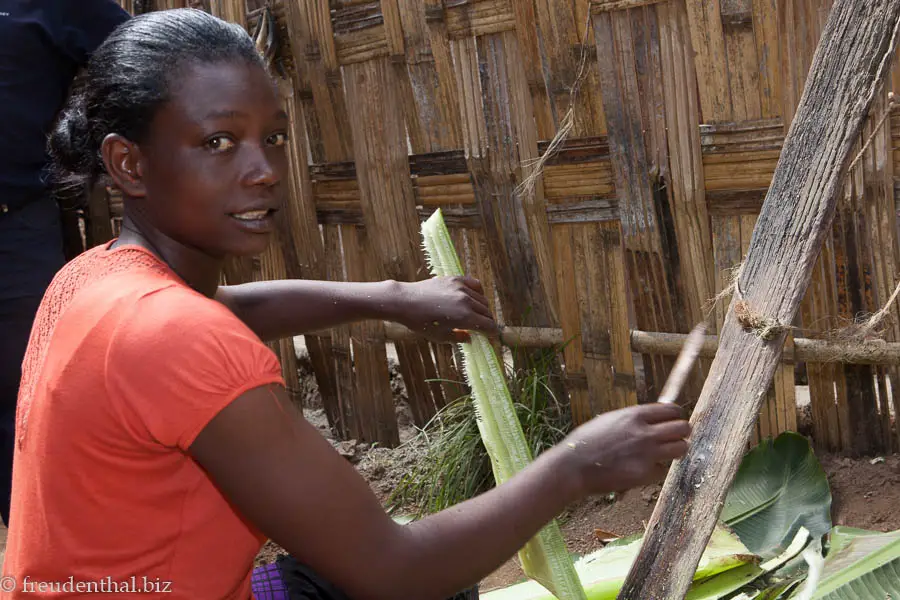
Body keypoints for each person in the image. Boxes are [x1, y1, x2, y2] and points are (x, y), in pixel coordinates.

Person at [1, 9, 692, 600]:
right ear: (129, 164)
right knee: (435, 579)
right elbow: (393, 572)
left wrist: (392, 298)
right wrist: (576, 463)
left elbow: (233, 310)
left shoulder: (91, 281)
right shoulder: (179, 338)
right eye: (217, 142)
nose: (264, 169)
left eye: (271, 136)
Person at [0, 0, 131, 527]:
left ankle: (50, 555)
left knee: (35, 393)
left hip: (16, 231)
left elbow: (139, 56)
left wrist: (80, 146)